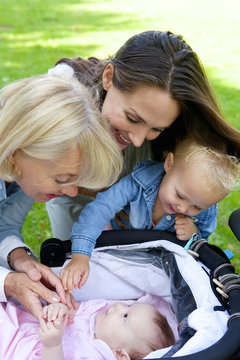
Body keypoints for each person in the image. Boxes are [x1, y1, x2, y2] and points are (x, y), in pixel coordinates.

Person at [46, 30, 240, 241]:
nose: (137, 140)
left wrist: (131, 199)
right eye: (132, 118)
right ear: (108, 78)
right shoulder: (62, 99)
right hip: (73, 193)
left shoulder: (176, 128)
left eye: (156, 129)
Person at [0, 73, 123, 318]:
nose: (71, 192)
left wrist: (19, 257)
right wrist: (7, 282)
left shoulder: (24, 169)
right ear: (15, 152)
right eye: (61, 180)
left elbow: (5, 223)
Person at [59, 136, 240, 292]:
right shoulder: (138, 182)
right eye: (180, 195)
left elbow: (200, 247)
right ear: (169, 164)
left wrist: (194, 234)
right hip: (116, 240)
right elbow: (99, 210)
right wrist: (80, 255)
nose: (184, 209)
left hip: (156, 261)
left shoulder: (204, 207)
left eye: (197, 207)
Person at [0, 297, 175, 359]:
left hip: (13, 351)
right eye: (129, 306)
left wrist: (52, 345)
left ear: (120, 354)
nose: (119, 306)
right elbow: (74, 309)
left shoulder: (93, 356)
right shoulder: (99, 311)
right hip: (21, 320)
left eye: (125, 316)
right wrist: (61, 309)